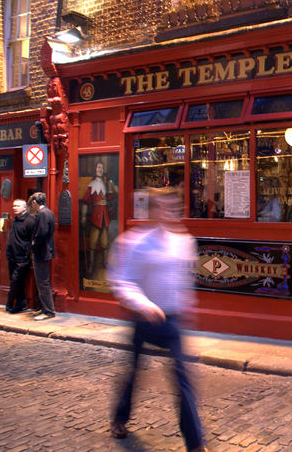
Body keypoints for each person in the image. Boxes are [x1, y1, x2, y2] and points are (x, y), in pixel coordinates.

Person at [107, 187, 206, 451]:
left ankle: (195, 443)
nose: (170, 211)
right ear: (150, 210)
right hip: (144, 319)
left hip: (172, 320)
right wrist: (144, 305)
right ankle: (119, 417)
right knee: (134, 372)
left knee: (183, 379)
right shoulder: (134, 242)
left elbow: (184, 280)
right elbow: (122, 280)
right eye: (163, 206)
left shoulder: (184, 241)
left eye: (173, 206)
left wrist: (186, 308)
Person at [81, 160, 118, 278]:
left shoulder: (106, 184)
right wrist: (83, 216)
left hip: (105, 216)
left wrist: (114, 187)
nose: (100, 170)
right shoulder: (92, 185)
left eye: (101, 168)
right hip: (96, 216)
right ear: (95, 169)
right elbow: (86, 201)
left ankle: (105, 263)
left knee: (104, 242)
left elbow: (113, 195)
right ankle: (91, 265)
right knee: (93, 241)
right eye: (98, 168)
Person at [4, 199, 37, 314]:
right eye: (13, 206)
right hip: (12, 255)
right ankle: (20, 304)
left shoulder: (30, 221)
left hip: (23, 257)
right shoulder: (15, 220)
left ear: (25, 208)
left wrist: (30, 254)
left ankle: (11, 303)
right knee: (17, 281)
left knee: (16, 280)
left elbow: (34, 239)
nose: (14, 208)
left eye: (17, 206)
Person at [30, 192, 57, 320]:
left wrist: (33, 245)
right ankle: (44, 308)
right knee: (43, 282)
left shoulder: (42, 213)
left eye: (32, 203)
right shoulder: (48, 212)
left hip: (42, 252)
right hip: (46, 250)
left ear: (35, 202)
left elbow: (41, 233)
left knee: (42, 282)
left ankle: (48, 311)